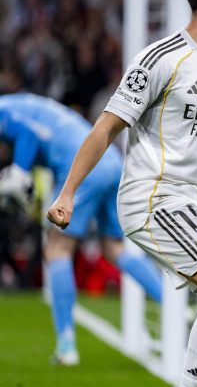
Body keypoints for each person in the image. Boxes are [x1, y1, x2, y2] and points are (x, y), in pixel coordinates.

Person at [47, 0, 197, 387]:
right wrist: (67, 193)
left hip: (195, 202)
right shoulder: (161, 57)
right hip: (154, 198)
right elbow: (105, 129)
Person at [0, 93, 163, 366]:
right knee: (114, 248)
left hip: (84, 165)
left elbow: (27, 134)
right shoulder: (21, 103)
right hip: (110, 160)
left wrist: (18, 172)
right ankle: (173, 307)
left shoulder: (4, 111)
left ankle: (66, 346)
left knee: (56, 249)